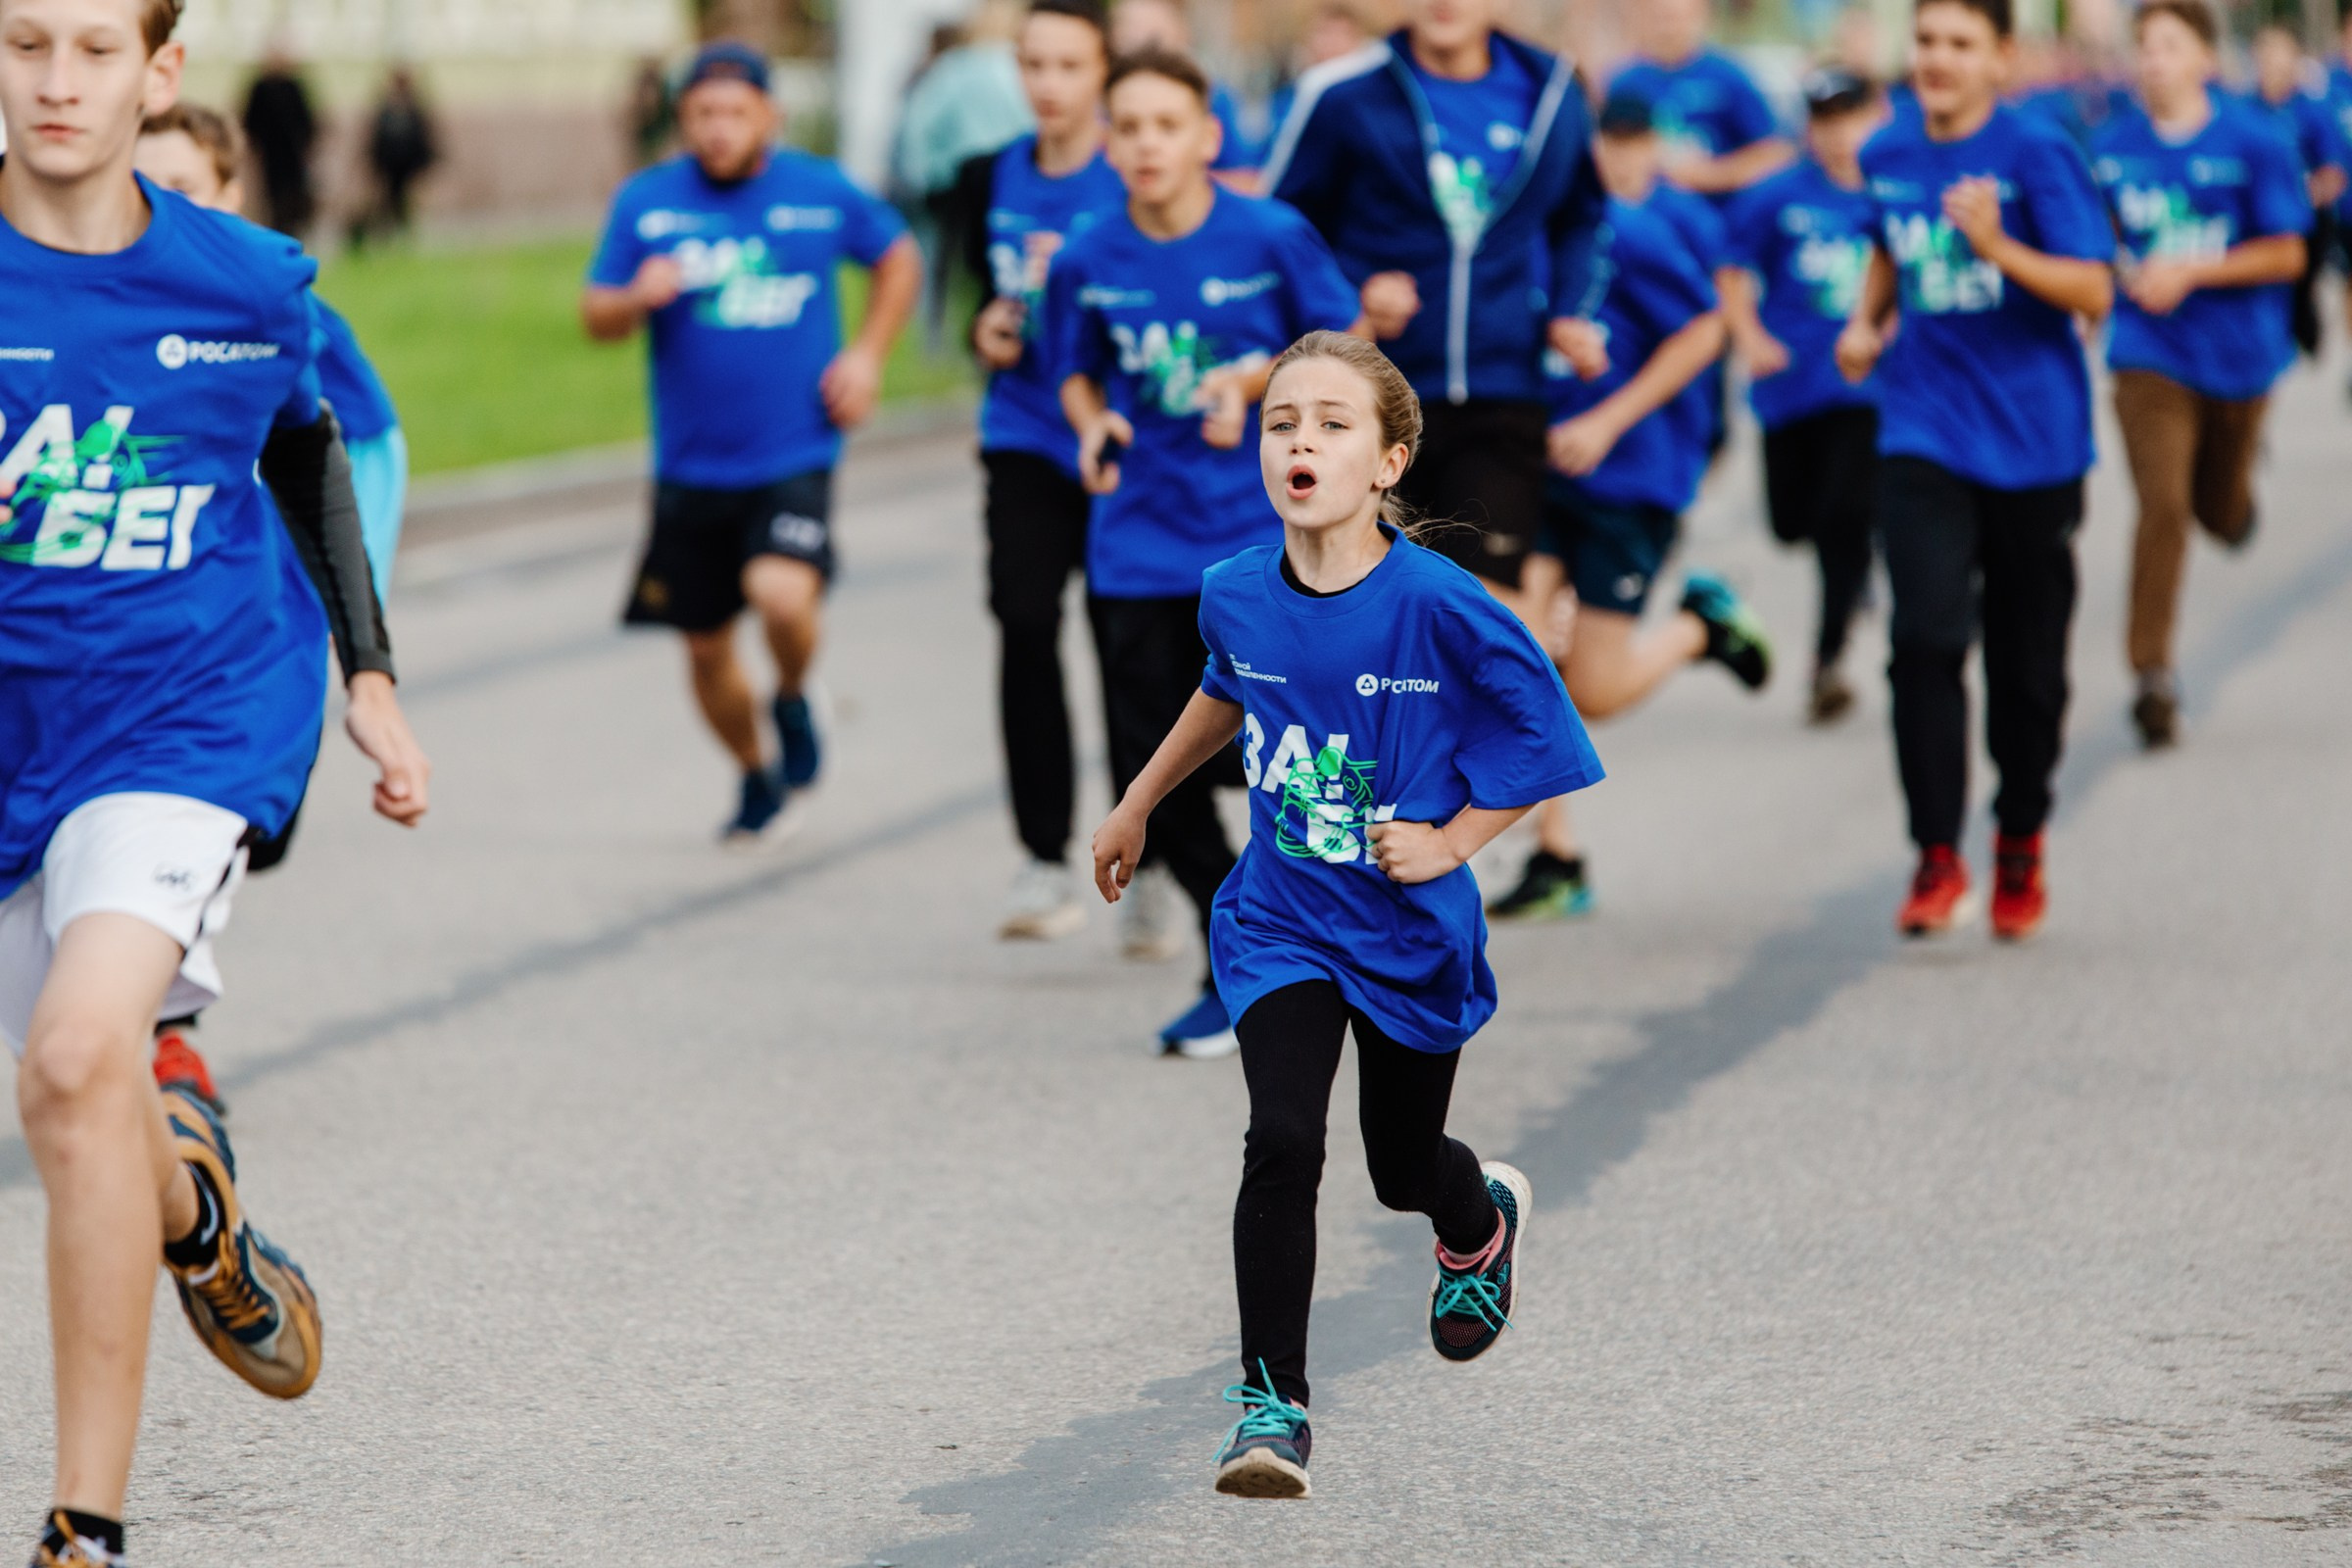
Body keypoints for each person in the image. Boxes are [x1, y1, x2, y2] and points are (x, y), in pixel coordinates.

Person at [0, 2, 432, 1562]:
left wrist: (368, 681)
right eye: (25, 41)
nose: (58, 80)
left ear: (158, 72)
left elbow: (307, 454)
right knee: (98, 1109)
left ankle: (83, 1528)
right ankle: (199, 1216)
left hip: (184, 718)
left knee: (69, 1062)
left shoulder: (244, 284)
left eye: (95, 47)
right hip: (13, 734)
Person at [1089, 331, 1602, 1497]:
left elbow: (1547, 740)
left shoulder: (1441, 603)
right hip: (1279, 918)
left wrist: (1453, 841)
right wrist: (1136, 802)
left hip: (1410, 933)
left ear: (1388, 460)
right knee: (1283, 1141)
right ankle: (1272, 1407)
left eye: (1330, 423)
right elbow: (1228, 688)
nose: (1300, 441)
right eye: (1281, 423)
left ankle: (1476, 1224)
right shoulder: (1234, 591)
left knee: (1400, 1162)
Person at [1048, 46, 1363, 1054]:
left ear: (1207, 138)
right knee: (1155, 770)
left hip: (1263, 543)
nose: (1146, 145)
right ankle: (1240, 960)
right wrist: (1092, 425)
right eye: (1128, 128)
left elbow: (1345, 357)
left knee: (1292, 755)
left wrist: (1258, 385)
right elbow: (1079, 377)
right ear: (1109, 144)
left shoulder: (1272, 237)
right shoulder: (1086, 257)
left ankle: (1327, 942)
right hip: (1136, 545)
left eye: (1165, 126)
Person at [131, 101, 414, 1114]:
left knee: (220, 829)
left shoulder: (265, 303)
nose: (163, 207)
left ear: (231, 193)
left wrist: (353, 622)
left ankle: (167, 1038)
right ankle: (160, 1043)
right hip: (117, 635)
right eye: (145, 185)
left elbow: (358, 450)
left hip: (260, 630)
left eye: (188, 189)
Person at [583, 41, 921, 843]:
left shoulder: (818, 190)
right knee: (704, 651)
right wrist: (635, 295)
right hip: (691, 465)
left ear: (770, 115)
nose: (719, 128)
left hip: (793, 449)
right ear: (682, 120)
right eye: (703, 113)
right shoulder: (648, 202)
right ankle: (752, 770)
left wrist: (868, 356)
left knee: (780, 592)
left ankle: (796, 692)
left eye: (736, 112)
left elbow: (898, 257)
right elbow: (596, 316)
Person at [1836, 0, 2114, 943]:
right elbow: (1887, 242)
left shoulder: (2038, 151)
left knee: (2027, 666)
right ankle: (1936, 854)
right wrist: (1867, 322)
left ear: (2002, 58)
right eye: (1926, 42)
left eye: (1960, 44)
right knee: (1923, 638)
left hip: (2036, 443)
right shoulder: (1889, 151)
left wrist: (1997, 246)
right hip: (1923, 428)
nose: (1938, 59)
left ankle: (2021, 834)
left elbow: (2093, 287)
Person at [1489, 86, 1769, 922]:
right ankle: (1557, 854)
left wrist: (1608, 422)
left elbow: (1704, 332)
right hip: (1529, 479)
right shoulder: (1503, 241)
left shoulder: (1630, 232)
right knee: (1511, 657)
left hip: (1628, 476)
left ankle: (1701, 627)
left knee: (1595, 687)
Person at [1263, 0, 1609, 616]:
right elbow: (1284, 229)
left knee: (1483, 614)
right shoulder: (1346, 94)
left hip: (1502, 390)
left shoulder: (1553, 94)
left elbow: (1581, 217)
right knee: (1367, 610)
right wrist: (1355, 293)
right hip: (1371, 396)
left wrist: (1568, 311)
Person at [954, 0, 1126, 941]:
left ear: (1103, 72)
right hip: (1021, 432)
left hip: (1113, 440)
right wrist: (988, 325)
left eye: (1068, 65)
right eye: (1033, 64)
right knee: (1024, 628)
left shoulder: (1128, 173)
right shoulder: (995, 176)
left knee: (1123, 647)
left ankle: (1151, 854)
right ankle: (1042, 855)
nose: (1048, 84)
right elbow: (984, 296)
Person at [2093, 0, 2306, 751]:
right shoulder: (2112, 146)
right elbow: (2095, 242)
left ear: (2204, 60)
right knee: (2164, 505)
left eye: (2169, 47)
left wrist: (2194, 271)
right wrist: (2100, 290)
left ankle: (2239, 501)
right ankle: (2152, 672)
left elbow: (2287, 252)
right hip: (2149, 355)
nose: (2153, 61)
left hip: (2240, 357)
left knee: (2217, 512)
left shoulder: (2254, 140)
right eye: (2144, 47)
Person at [1721, 68, 1887, 724]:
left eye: (1850, 118)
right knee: (1794, 522)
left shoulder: (1889, 190)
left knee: (1843, 519)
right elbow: (1732, 270)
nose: (1839, 135)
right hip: (1789, 387)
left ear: (1875, 117)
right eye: (1825, 122)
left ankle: (1828, 662)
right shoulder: (1778, 195)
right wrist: (1749, 335)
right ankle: (1857, 565)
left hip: (1863, 388)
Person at [1610, 0, 1794, 200]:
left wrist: (1712, 175)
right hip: (1649, 207)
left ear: (1702, 17)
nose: (1668, 28)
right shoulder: (1624, 82)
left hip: (1718, 207)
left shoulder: (1727, 76)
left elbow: (1773, 151)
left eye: (1677, 17)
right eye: (1660, 17)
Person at [2246, 22, 2347, 359]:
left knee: (2303, 286)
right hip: (2260, 216)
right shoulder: (2245, 110)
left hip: (2307, 217)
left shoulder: (2311, 109)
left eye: (2279, 53)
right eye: (2265, 53)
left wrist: (2306, 196)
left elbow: (2333, 171)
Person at [1110, 0, 1262, 182]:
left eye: (1169, 126)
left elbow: (1246, 176)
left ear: (1181, 34)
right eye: (1129, 128)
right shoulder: (1102, 99)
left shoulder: (1214, 96)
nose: (1147, 143)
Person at [238, 46, 316, 237]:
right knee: (272, 195)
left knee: (293, 194)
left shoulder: (294, 87)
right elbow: (250, 120)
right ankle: (277, 228)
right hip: (269, 154)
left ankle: (292, 227)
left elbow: (307, 120)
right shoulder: (260, 88)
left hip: (292, 153)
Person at [362, 67, 437, 246]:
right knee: (390, 200)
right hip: (389, 164)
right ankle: (390, 234)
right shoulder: (387, 107)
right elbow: (376, 137)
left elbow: (423, 136)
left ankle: (401, 233)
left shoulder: (413, 107)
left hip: (408, 164)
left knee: (402, 200)